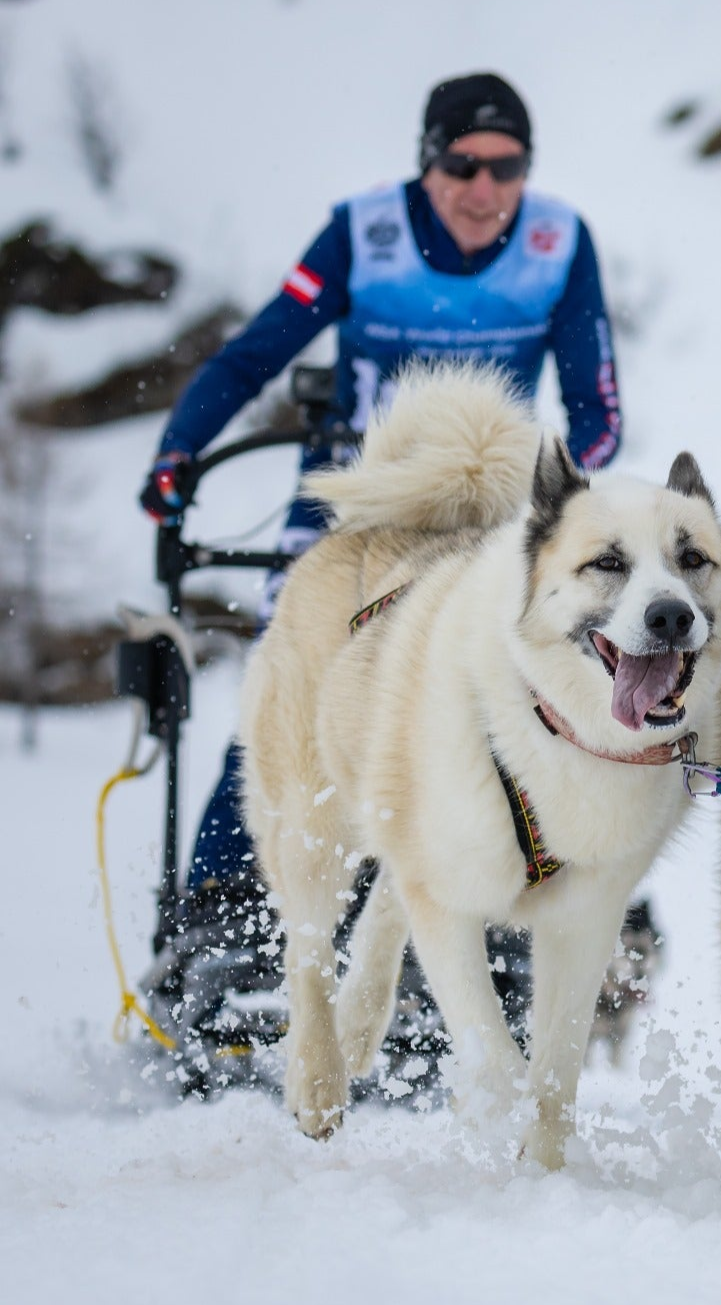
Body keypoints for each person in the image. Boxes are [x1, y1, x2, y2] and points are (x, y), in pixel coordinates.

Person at [138, 72, 623, 940]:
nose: (484, 190)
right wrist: (180, 449)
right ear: (427, 162)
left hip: (485, 511)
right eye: (463, 165)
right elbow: (251, 357)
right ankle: (221, 905)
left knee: (504, 695)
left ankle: (503, 909)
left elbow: (599, 413)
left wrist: (551, 492)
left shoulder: (558, 242)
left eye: (507, 168)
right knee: (294, 686)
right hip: (355, 504)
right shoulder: (364, 234)